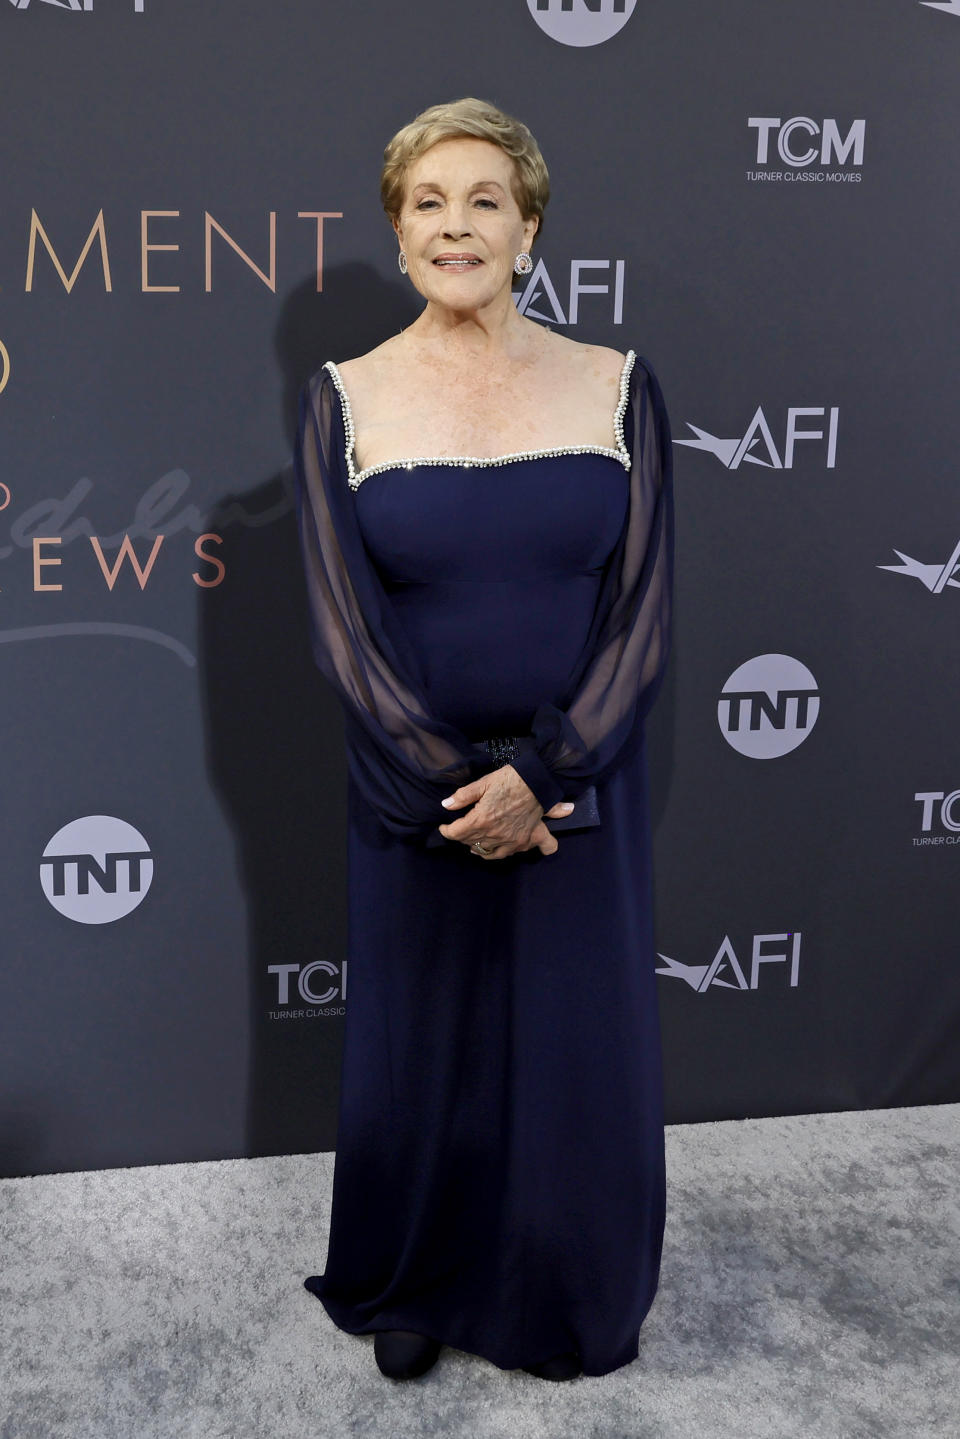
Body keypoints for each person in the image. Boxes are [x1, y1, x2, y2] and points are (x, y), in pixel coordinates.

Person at [292, 97, 674, 1383]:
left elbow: (644, 608)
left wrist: (547, 773)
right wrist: (465, 785)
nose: (455, 225)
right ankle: (424, 1274)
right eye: (426, 204)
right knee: (427, 1043)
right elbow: (343, 621)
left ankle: (567, 1278)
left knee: (575, 1046)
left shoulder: (616, 381)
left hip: (578, 784)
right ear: (398, 234)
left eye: (483, 201)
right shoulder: (345, 395)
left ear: (528, 228)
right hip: (419, 790)